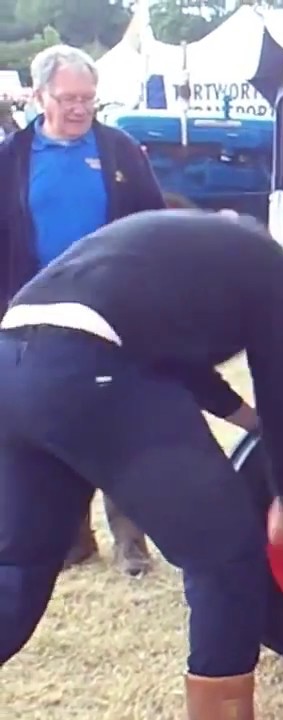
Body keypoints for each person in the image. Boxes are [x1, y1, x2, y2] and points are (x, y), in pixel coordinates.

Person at [0, 209, 283, 718]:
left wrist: (251, 422)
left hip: (13, 363)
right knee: (225, 553)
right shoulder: (278, 274)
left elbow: (177, 363)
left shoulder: (181, 254)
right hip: (88, 364)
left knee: (18, 565)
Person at [0, 44, 166, 576]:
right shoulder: (12, 158)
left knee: (120, 424)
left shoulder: (120, 150)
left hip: (113, 311)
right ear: (39, 96)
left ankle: (131, 542)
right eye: (68, 98)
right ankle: (73, 539)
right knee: (54, 426)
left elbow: (153, 223)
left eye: (88, 98)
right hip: (35, 315)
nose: (79, 108)